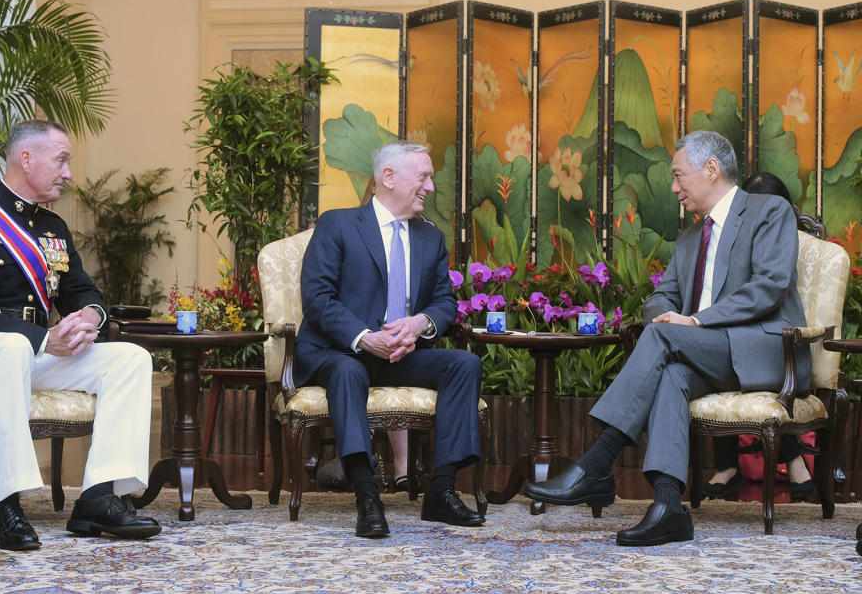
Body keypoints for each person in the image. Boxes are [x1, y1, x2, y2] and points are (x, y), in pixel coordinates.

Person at [523, 131, 811, 546]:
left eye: (679, 175)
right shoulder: (692, 236)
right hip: (706, 354)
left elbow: (769, 285)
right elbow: (661, 297)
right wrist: (668, 317)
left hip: (765, 349)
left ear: (711, 169)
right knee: (672, 372)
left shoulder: (769, 211)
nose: (674, 187)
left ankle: (598, 463)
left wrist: (694, 323)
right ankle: (667, 507)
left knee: (664, 340)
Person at [0, 120, 161, 551]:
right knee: (13, 345)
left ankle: (99, 498)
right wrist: (42, 340)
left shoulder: (53, 228)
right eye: (62, 160)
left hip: (32, 352)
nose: (68, 173)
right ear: (26, 158)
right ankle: (8, 508)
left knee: (131, 358)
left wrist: (91, 315)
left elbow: (83, 291)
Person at [295, 140, 484, 537]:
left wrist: (419, 324)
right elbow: (317, 299)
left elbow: (445, 302)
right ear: (389, 177)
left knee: (464, 364)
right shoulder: (338, 224)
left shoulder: (430, 238)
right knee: (348, 372)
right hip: (340, 351)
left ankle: (442, 491)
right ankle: (367, 496)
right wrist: (364, 337)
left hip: (400, 353)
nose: (430, 187)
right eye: (424, 177)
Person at [702, 171, 814, 500]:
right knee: (722, 353)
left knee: (752, 354)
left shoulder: (781, 239)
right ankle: (728, 466)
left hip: (780, 339)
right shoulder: (728, 239)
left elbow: (768, 294)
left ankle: (791, 457)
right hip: (737, 334)